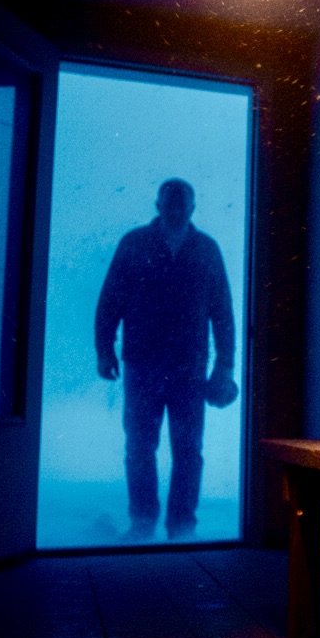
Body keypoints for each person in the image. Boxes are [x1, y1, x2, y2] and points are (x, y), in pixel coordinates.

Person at [95, 178, 238, 542]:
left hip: (187, 370)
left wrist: (224, 366)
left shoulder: (205, 249)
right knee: (142, 447)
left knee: (185, 450)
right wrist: (104, 349)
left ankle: (181, 526)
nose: (175, 209)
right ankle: (146, 522)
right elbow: (110, 299)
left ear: (191, 207)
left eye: (181, 204)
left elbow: (223, 312)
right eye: (170, 204)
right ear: (158, 205)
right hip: (145, 366)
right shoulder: (135, 244)